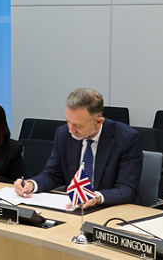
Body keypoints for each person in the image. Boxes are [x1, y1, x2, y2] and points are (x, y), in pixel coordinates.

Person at [13, 87, 141, 209]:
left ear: (98, 122)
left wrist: (96, 198)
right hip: (74, 207)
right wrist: (31, 184)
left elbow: (127, 189)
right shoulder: (63, 134)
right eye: (68, 121)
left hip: (109, 209)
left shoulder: (126, 138)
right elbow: (53, 174)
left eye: (77, 125)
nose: (70, 130)